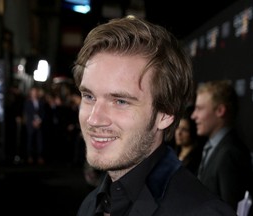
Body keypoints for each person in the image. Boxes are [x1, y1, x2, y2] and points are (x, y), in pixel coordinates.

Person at [73, 16, 236, 216]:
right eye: (89, 96)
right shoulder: (90, 204)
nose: (94, 119)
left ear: (166, 114)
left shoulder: (204, 212)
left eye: (120, 101)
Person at [191, 80, 253, 212]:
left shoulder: (230, 153)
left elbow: (230, 210)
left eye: (199, 108)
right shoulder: (213, 146)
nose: (193, 116)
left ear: (220, 110)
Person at [170, 105, 205, 176]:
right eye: (177, 128)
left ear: (193, 132)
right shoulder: (174, 152)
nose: (178, 133)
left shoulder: (198, 159)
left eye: (184, 130)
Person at [23, 86, 45, 165]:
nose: (34, 93)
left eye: (36, 92)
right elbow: (27, 114)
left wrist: (39, 121)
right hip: (30, 124)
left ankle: (40, 156)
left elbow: (42, 113)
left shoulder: (41, 102)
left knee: (39, 141)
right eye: (33, 92)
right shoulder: (27, 102)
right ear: (30, 93)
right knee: (30, 140)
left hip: (39, 124)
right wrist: (32, 121)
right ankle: (30, 156)